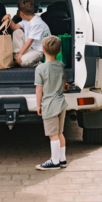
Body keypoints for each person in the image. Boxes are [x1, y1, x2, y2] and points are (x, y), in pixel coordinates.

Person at [35, 35, 70, 170]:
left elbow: (39, 89)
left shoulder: (40, 69)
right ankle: (62, 159)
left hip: (49, 105)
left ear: (43, 50)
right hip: (61, 103)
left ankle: (54, 162)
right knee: (60, 132)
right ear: (59, 51)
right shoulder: (61, 65)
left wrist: (39, 105)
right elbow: (63, 83)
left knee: (52, 135)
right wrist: (65, 87)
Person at [2, 0, 50, 67]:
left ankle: (40, 64)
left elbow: (30, 41)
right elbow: (15, 27)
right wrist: (9, 18)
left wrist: (20, 54)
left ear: (21, 13)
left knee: (23, 62)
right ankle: (18, 58)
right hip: (31, 48)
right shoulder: (26, 20)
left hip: (40, 51)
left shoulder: (36, 23)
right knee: (17, 32)